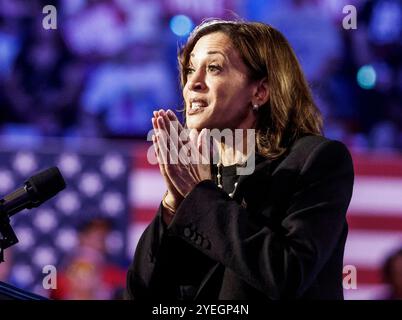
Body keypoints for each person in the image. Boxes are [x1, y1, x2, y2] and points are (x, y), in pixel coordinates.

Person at [126, 19, 354, 300]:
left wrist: (199, 195)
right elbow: (142, 295)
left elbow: (287, 274)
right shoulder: (205, 175)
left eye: (213, 68)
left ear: (260, 91)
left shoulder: (316, 160)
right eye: (189, 70)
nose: (192, 84)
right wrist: (174, 204)